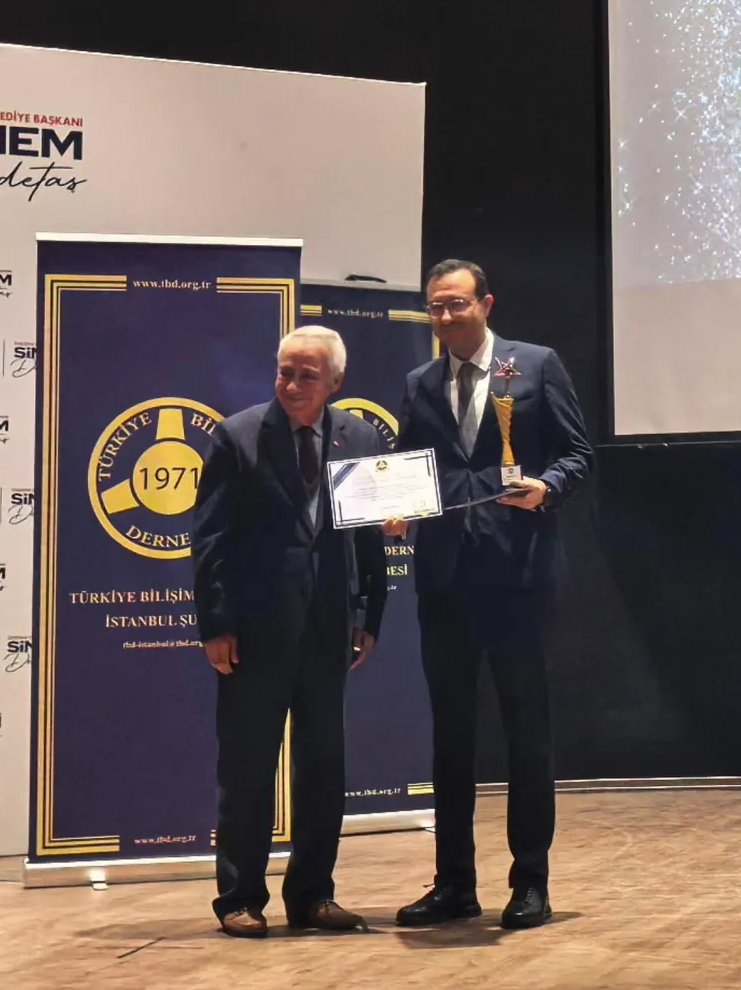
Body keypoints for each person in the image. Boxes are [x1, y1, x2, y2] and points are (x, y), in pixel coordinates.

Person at [386, 258, 593, 930]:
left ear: (486, 304)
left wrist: (547, 487)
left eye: (457, 304)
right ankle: (454, 884)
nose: (446, 317)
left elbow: (578, 453)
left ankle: (530, 882)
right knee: (450, 736)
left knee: (526, 732)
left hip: (519, 577)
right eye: (436, 307)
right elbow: (410, 469)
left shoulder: (533, 365)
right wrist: (394, 506)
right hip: (445, 581)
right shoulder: (419, 383)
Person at [192, 326, 390, 938]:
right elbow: (211, 540)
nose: (293, 384)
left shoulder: (359, 437)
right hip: (253, 630)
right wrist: (216, 623)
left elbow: (368, 539)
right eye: (285, 372)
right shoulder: (238, 435)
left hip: (329, 627)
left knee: (323, 765)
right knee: (248, 766)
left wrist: (370, 615)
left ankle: (313, 895)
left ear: (336, 382)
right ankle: (239, 899)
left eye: (308, 375)